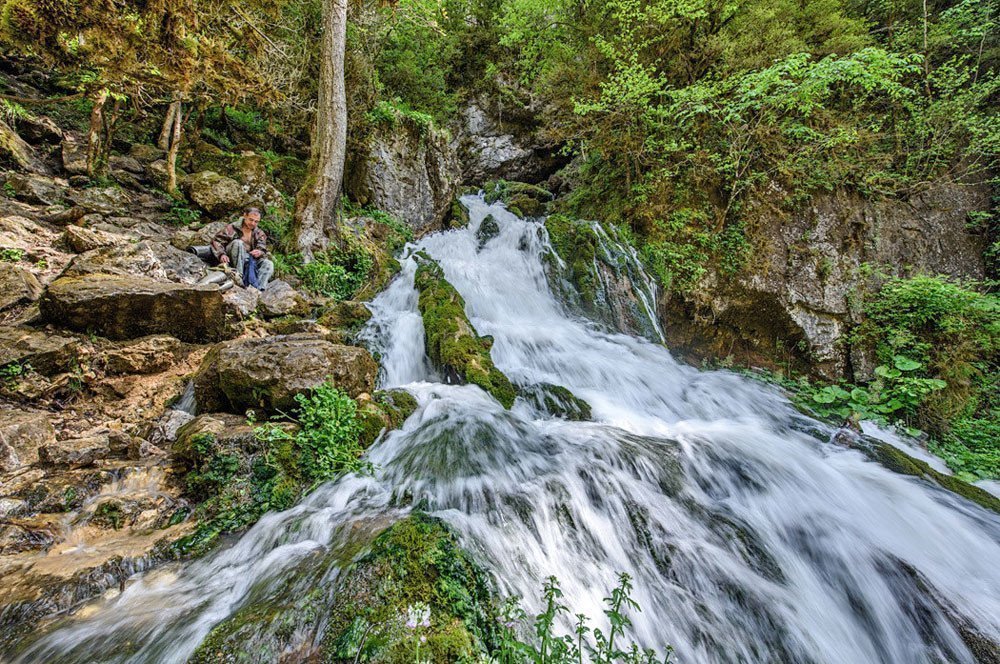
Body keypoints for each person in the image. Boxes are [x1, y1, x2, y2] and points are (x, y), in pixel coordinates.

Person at [210, 207, 274, 290]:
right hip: (232, 257)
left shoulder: (259, 232)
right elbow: (216, 241)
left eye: (256, 221)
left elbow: (262, 248)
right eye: (251, 220)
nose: (253, 223)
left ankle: (258, 289)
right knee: (238, 243)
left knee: (268, 264)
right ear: (244, 216)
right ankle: (238, 276)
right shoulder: (232, 228)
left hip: (248, 260)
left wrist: (259, 252)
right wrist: (221, 254)